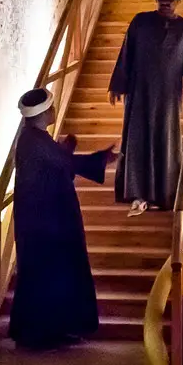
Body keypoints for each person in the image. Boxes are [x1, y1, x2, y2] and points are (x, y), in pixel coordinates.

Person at [7, 87, 116, 350]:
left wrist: (68, 148)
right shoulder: (35, 141)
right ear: (45, 113)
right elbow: (64, 163)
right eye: (52, 107)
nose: (55, 111)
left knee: (54, 275)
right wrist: (102, 159)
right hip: (46, 226)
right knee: (50, 277)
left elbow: (56, 164)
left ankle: (55, 330)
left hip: (46, 222)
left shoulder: (34, 139)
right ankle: (41, 334)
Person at [109, 0, 183, 216]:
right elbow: (126, 53)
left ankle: (163, 196)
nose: (166, 2)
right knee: (137, 140)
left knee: (166, 141)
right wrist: (118, 84)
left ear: (178, 1)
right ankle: (137, 194)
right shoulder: (140, 22)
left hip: (168, 97)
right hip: (139, 94)